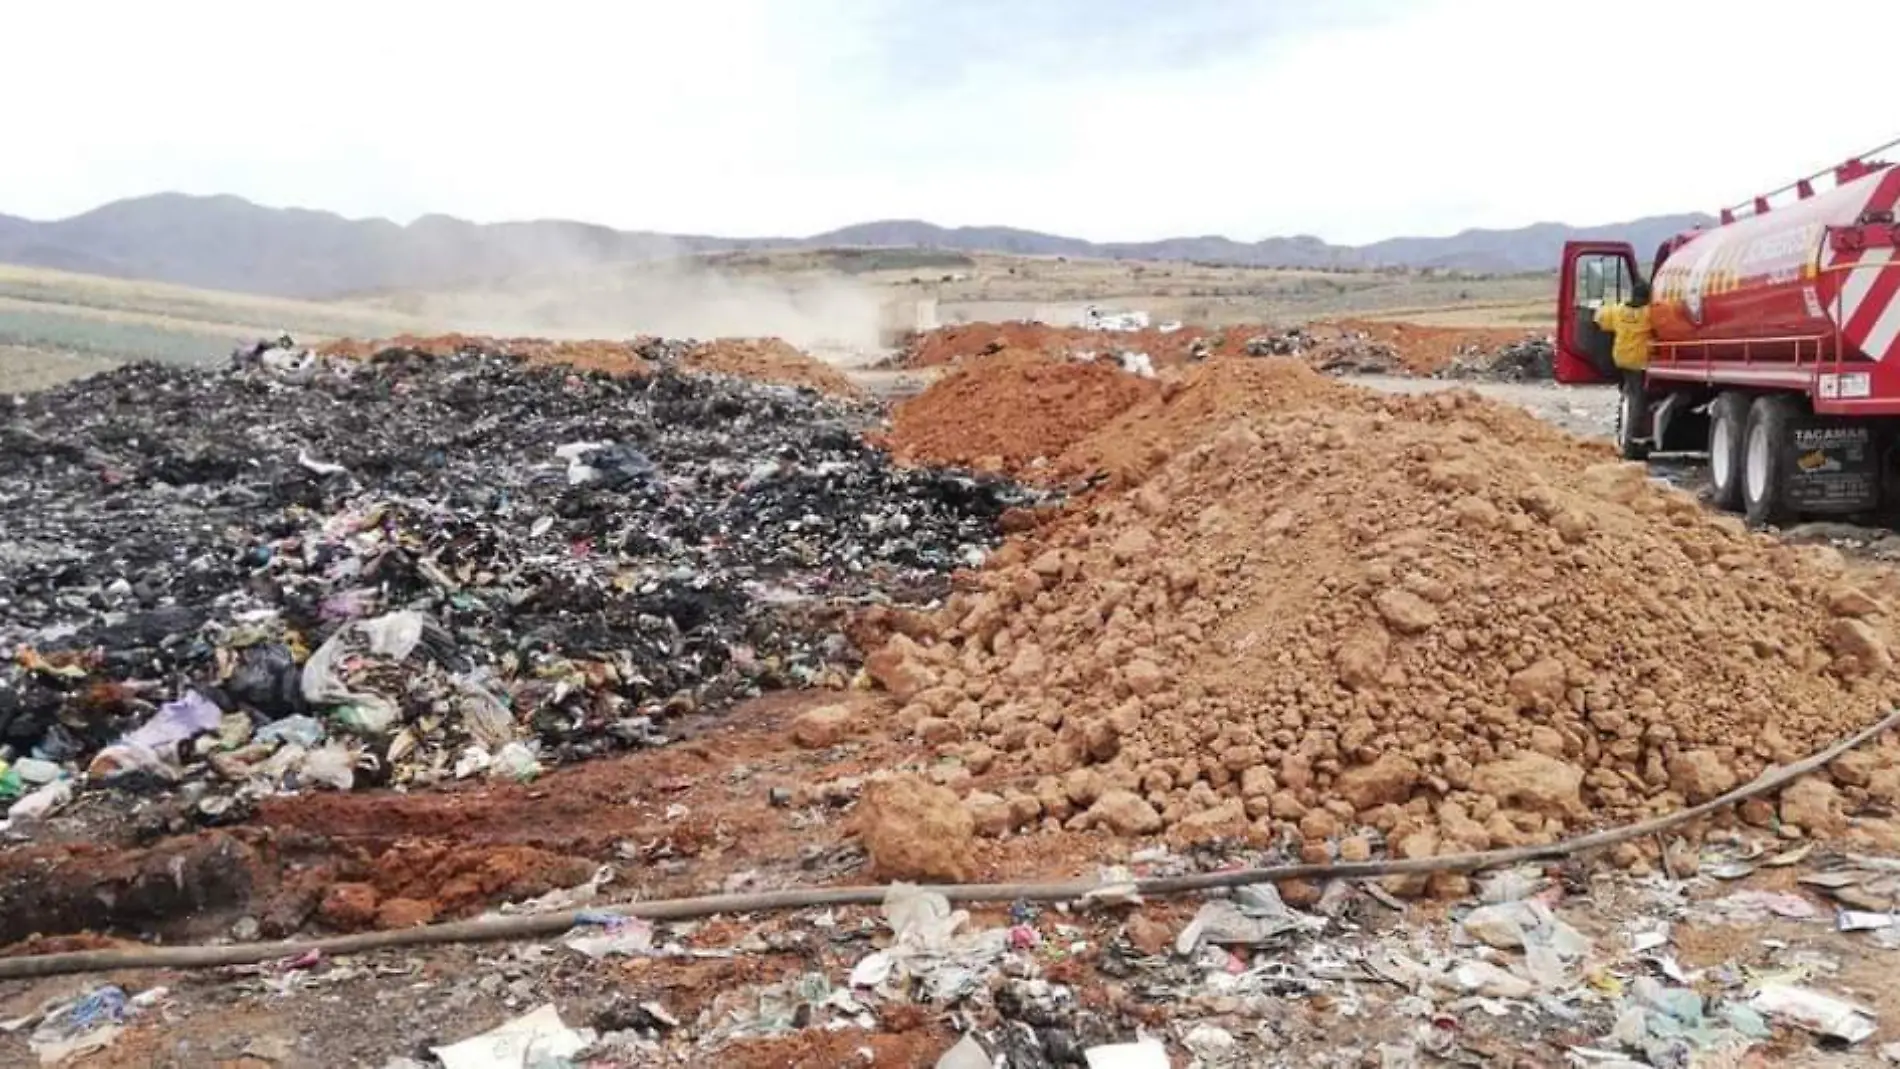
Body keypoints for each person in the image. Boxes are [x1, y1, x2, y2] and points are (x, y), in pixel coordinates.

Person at [1594, 280, 1653, 372]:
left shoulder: (1616, 310)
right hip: (1639, 360)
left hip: (1620, 356)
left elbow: (1599, 319)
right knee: (1636, 383)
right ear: (1647, 298)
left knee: (1628, 381)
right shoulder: (1648, 313)